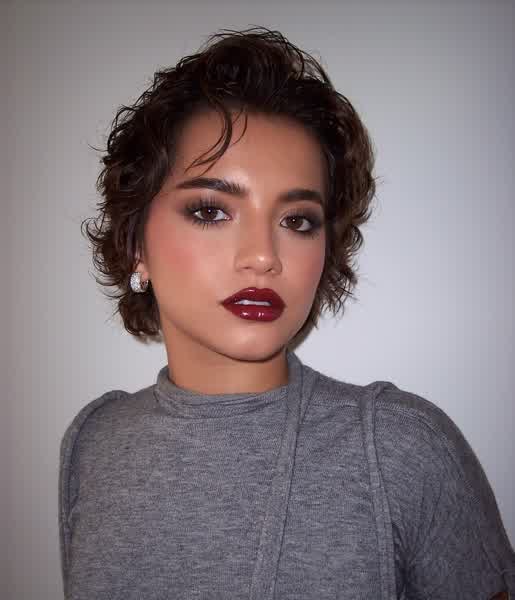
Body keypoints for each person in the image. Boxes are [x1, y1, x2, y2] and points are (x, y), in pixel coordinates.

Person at [58, 27, 515, 599]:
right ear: (135, 246)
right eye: (211, 211)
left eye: (297, 220)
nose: (263, 256)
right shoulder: (93, 441)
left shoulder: (401, 449)